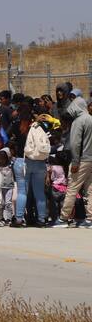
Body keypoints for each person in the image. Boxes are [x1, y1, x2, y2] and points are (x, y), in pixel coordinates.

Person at [59, 96, 92, 227]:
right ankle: (90, 219)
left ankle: (63, 218)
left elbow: (75, 144)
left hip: (81, 160)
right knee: (90, 189)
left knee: (72, 188)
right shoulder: (90, 118)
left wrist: (75, 161)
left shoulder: (78, 121)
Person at [19, 109, 52, 227]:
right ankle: (41, 219)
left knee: (22, 192)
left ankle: (19, 219)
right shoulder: (38, 129)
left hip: (24, 162)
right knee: (39, 193)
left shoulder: (18, 130)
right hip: (40, 162)